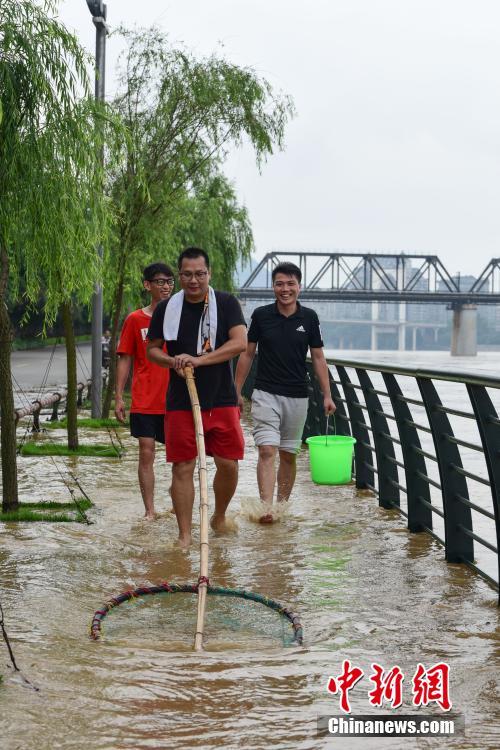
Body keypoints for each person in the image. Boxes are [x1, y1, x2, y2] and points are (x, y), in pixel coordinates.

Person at [147, 246, 247, 548]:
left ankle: (218, 515)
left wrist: (201, 360)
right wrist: (173, 361)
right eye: (187, 275)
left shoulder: (227, 303)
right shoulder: (167, 308)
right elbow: (152, 350)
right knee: (183, 466)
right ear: (179, 276)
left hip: (222, 398)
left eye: (200, 274)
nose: (194, 280)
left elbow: (240, 343)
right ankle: (185, 534)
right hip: (181, 400)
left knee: (228, 463)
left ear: (209, 274)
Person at [235, 261, 336, 523]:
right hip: (265, 392)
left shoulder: (310, 318)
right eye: (280, 283)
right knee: (267, 449)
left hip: (297, 395)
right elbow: (247, 353)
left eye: (290, 283)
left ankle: (282, 506)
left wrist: (327, 394)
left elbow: (318, 357)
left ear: (299, 287)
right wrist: (236, 390)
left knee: (289, 454)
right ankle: (267, 509)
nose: (285, 289)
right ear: (273, 287)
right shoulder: (261, 315)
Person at [115, 262, 175, 519]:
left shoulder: (181, 316)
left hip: (176, 399)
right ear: (147, 285)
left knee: (180, 457)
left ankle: (178, 503)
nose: (166, 286)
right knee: (146, 451)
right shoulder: (135, 319)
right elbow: (125, 358)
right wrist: (119, 396)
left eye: (170, 281)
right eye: (160, 281)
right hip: (144, 399)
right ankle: (150, 510)